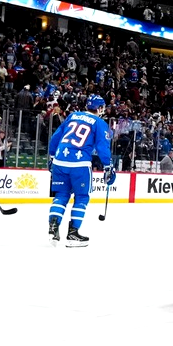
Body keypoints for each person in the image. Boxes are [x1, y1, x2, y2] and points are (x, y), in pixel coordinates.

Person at [47, 94, 114, 247]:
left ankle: (53, 229)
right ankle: (73, 234)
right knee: (82, 197)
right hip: (80, 164)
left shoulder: (73, 116)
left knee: (61, 195)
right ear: (99, 108)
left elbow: (55, 137)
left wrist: (51, 156)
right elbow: (102, 147)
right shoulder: (99, 122)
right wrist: (108, 166)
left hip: (59, 161)